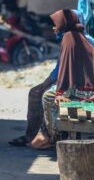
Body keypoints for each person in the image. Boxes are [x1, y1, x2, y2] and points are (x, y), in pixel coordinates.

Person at [9, 9, 94, 147]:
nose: (54, 28)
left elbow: (60, 72)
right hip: (80, 87)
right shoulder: (76, 38)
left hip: (81, 89)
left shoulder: (71, 40)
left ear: (66, 24)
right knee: (40, 92)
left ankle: (47, 135)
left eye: (57, 25)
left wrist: (52, 88)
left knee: (46, 96)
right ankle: (35, 134)